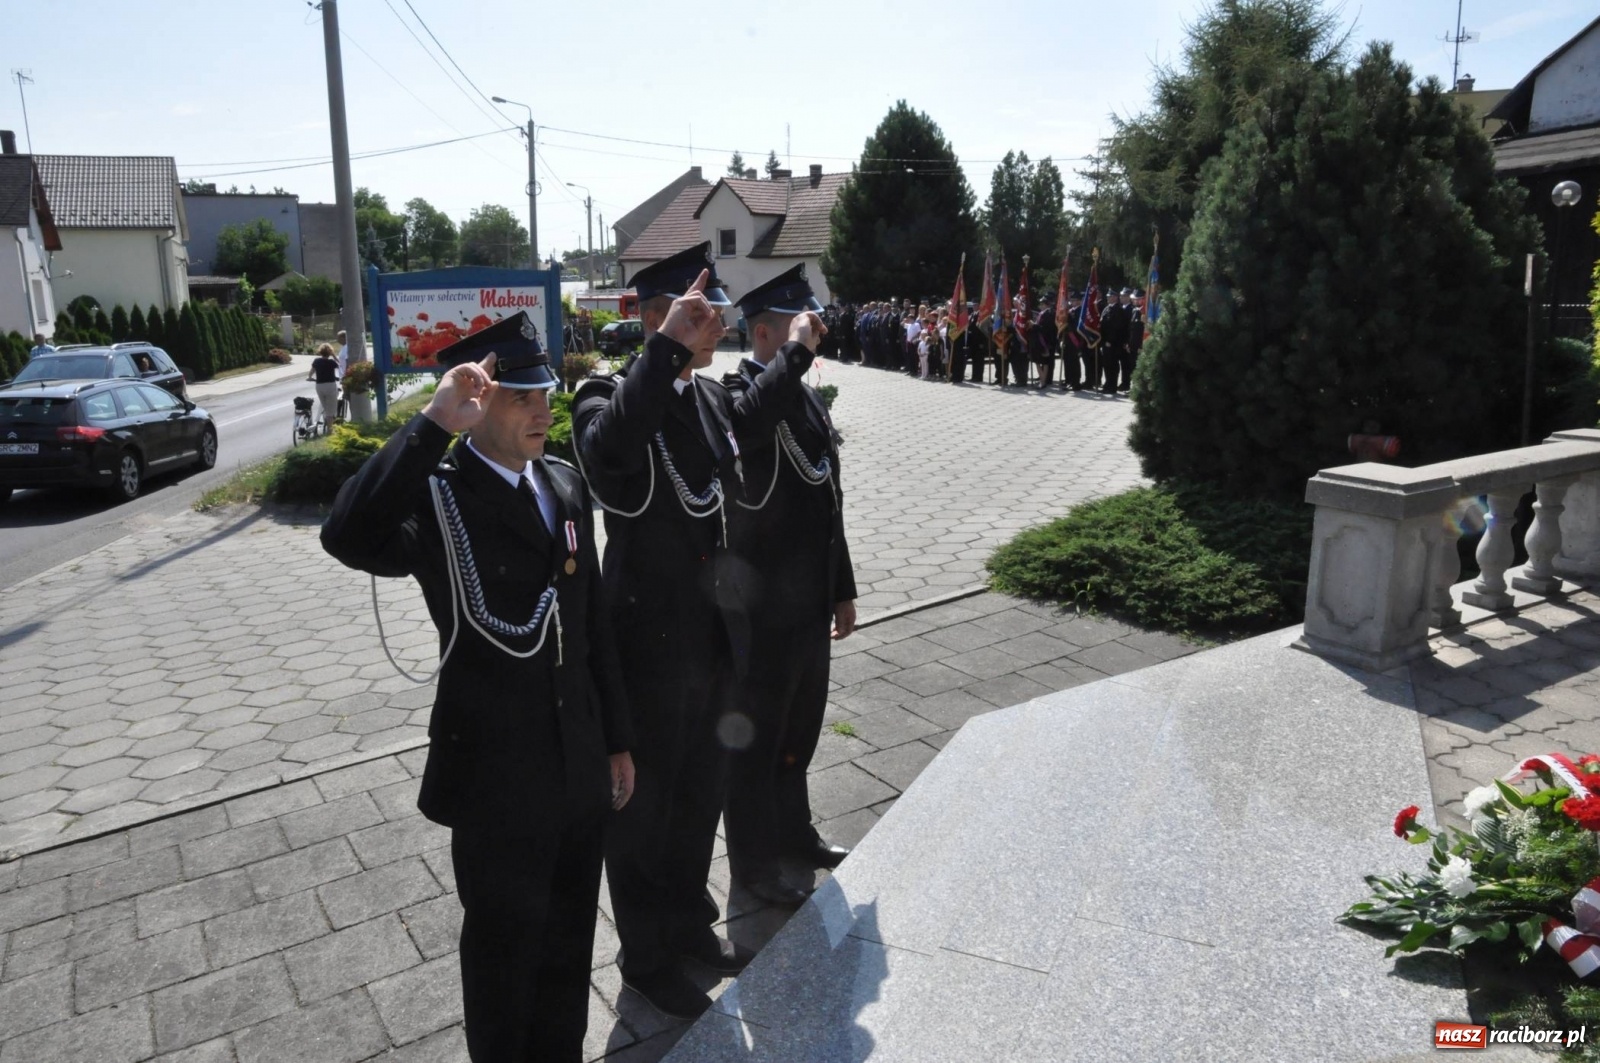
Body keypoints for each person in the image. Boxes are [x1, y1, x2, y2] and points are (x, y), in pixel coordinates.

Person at [320, 312, 634, 1063]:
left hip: (576, 762)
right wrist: (431, 424)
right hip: (497, 776)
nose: (542, 410)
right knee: (502, 957)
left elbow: (593, 628)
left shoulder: (563, 483)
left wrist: (618, 741)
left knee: (568, 944)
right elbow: (347, 534)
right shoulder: (439, 496)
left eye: (545, 394)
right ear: (478, 403)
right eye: (521, 396)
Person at [572, 242, 813, 1020]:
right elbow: (608, 451)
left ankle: (687, 925)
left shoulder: (707, 397)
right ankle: (646, 957)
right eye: (702, 315)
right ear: (657, 318)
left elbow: (752, 414)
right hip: (646, 649)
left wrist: (797, 354)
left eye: (712, 316)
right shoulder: (604, 395)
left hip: (713, 642)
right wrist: (666, 350)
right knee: (644, 814)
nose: (719, 327)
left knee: (699, 796)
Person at [721, 264, 855, 909]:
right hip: (762, 605)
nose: (814, 335)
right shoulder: (736, 391)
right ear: (764, 332)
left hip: (807, 599)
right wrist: (796, 353)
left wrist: (841, 587)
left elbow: (828, 497)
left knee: (799, 729)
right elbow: (748, 426)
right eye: (799, 325)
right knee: (759, 737)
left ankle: (794, 835)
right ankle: (754, 863)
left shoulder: (800, 394)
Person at [309, 343, 341, 426]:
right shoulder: (332, 362)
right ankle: (330, 430)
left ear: (320, 352)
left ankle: (325, 421)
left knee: (325, 406)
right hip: (330, 386)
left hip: (319, 386)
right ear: (330, 352)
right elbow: (340, 365)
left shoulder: (316, 361)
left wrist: (310, 377)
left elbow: (311, 371)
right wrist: (334, 356)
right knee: (330, 410)